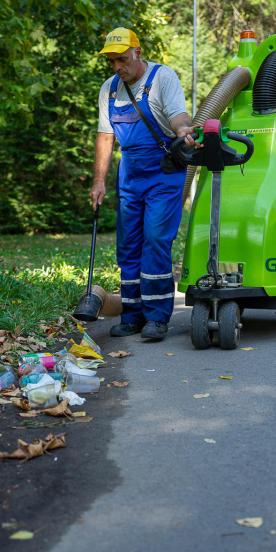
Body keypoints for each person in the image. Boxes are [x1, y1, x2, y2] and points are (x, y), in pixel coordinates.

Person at [89, 28, 200, 342]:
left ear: (137, 52)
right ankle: (132, 316)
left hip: (163, 175)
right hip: (130, 176)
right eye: (111, 61)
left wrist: (183, 130)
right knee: (128, 247)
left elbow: (178, 115)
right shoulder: (109, 89)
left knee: (154, 241)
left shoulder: (162, 78)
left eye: (122, 59)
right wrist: (99, 182)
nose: (116, 67)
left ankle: (157, 317)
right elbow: (105, 135)